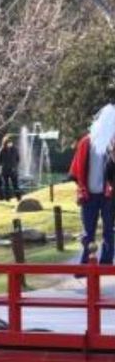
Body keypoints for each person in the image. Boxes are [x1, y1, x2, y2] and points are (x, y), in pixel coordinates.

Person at [69, 104, 115, 265]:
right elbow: (77, 168)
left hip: (108, 195)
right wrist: (81, 188)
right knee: (88, 232)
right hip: (89, 194)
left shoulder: (112, 144)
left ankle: (106, 262)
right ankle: (86, 263)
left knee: (109, 230)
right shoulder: (86, 142)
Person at [0, 134, 21, 201]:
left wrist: (13, 165)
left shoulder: (11, 149)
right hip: (8, 169)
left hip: (9, 169)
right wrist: (13, 164)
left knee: (11, 184)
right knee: (10, 184)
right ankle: (14, 197)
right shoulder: (4, 150)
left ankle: (13, 197)